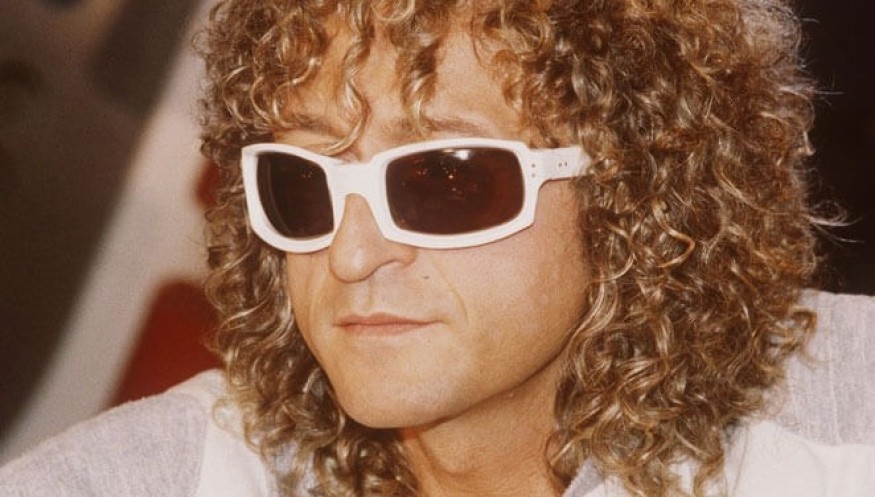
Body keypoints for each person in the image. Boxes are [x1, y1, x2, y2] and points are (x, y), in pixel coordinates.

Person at [2, 0, 874, 496]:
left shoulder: (843, 433)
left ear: (637, 184)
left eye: (444, 179)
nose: (350, 256)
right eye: (301, 182)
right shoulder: (170, 476)